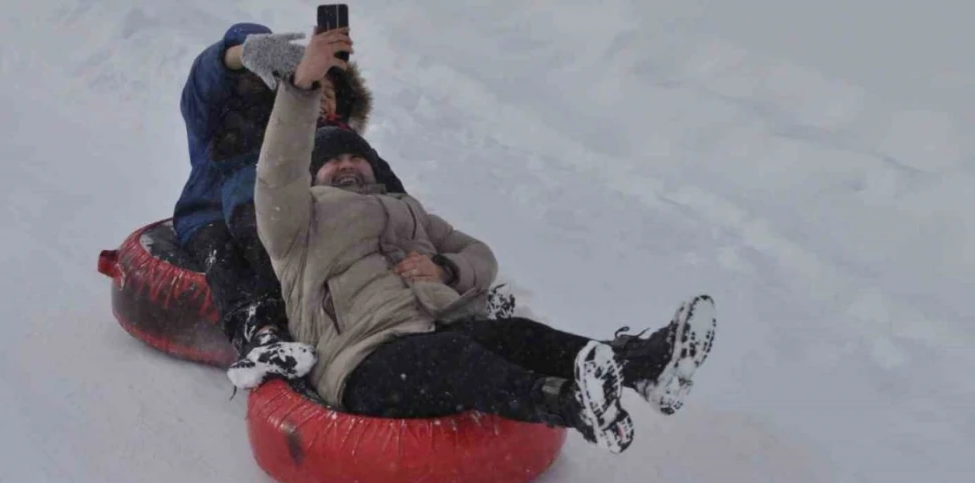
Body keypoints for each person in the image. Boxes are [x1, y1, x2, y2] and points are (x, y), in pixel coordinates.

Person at [252, 29, 718, 452]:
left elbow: (480, 256)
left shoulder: (408, 209)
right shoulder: (297, 222)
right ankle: (570, 405)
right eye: (334, 162)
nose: (348, 165)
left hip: (437, 330)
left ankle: (643, 365)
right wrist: (303, 85)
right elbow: (277, 172)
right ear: (314, 175)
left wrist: (446, 269)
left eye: (357, 157)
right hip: (363, 360)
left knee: (516, 335)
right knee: (454, 356)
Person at [170, 22, 405, 387]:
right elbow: (203, 83)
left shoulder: (327, 143)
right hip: (214, 213)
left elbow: (395, 201)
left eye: (328, 95)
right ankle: (261, 330)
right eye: (316, 91)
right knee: (234, 254)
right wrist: (241, 54)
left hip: (296, 218)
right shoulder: (224, 123)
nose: (321, 101)